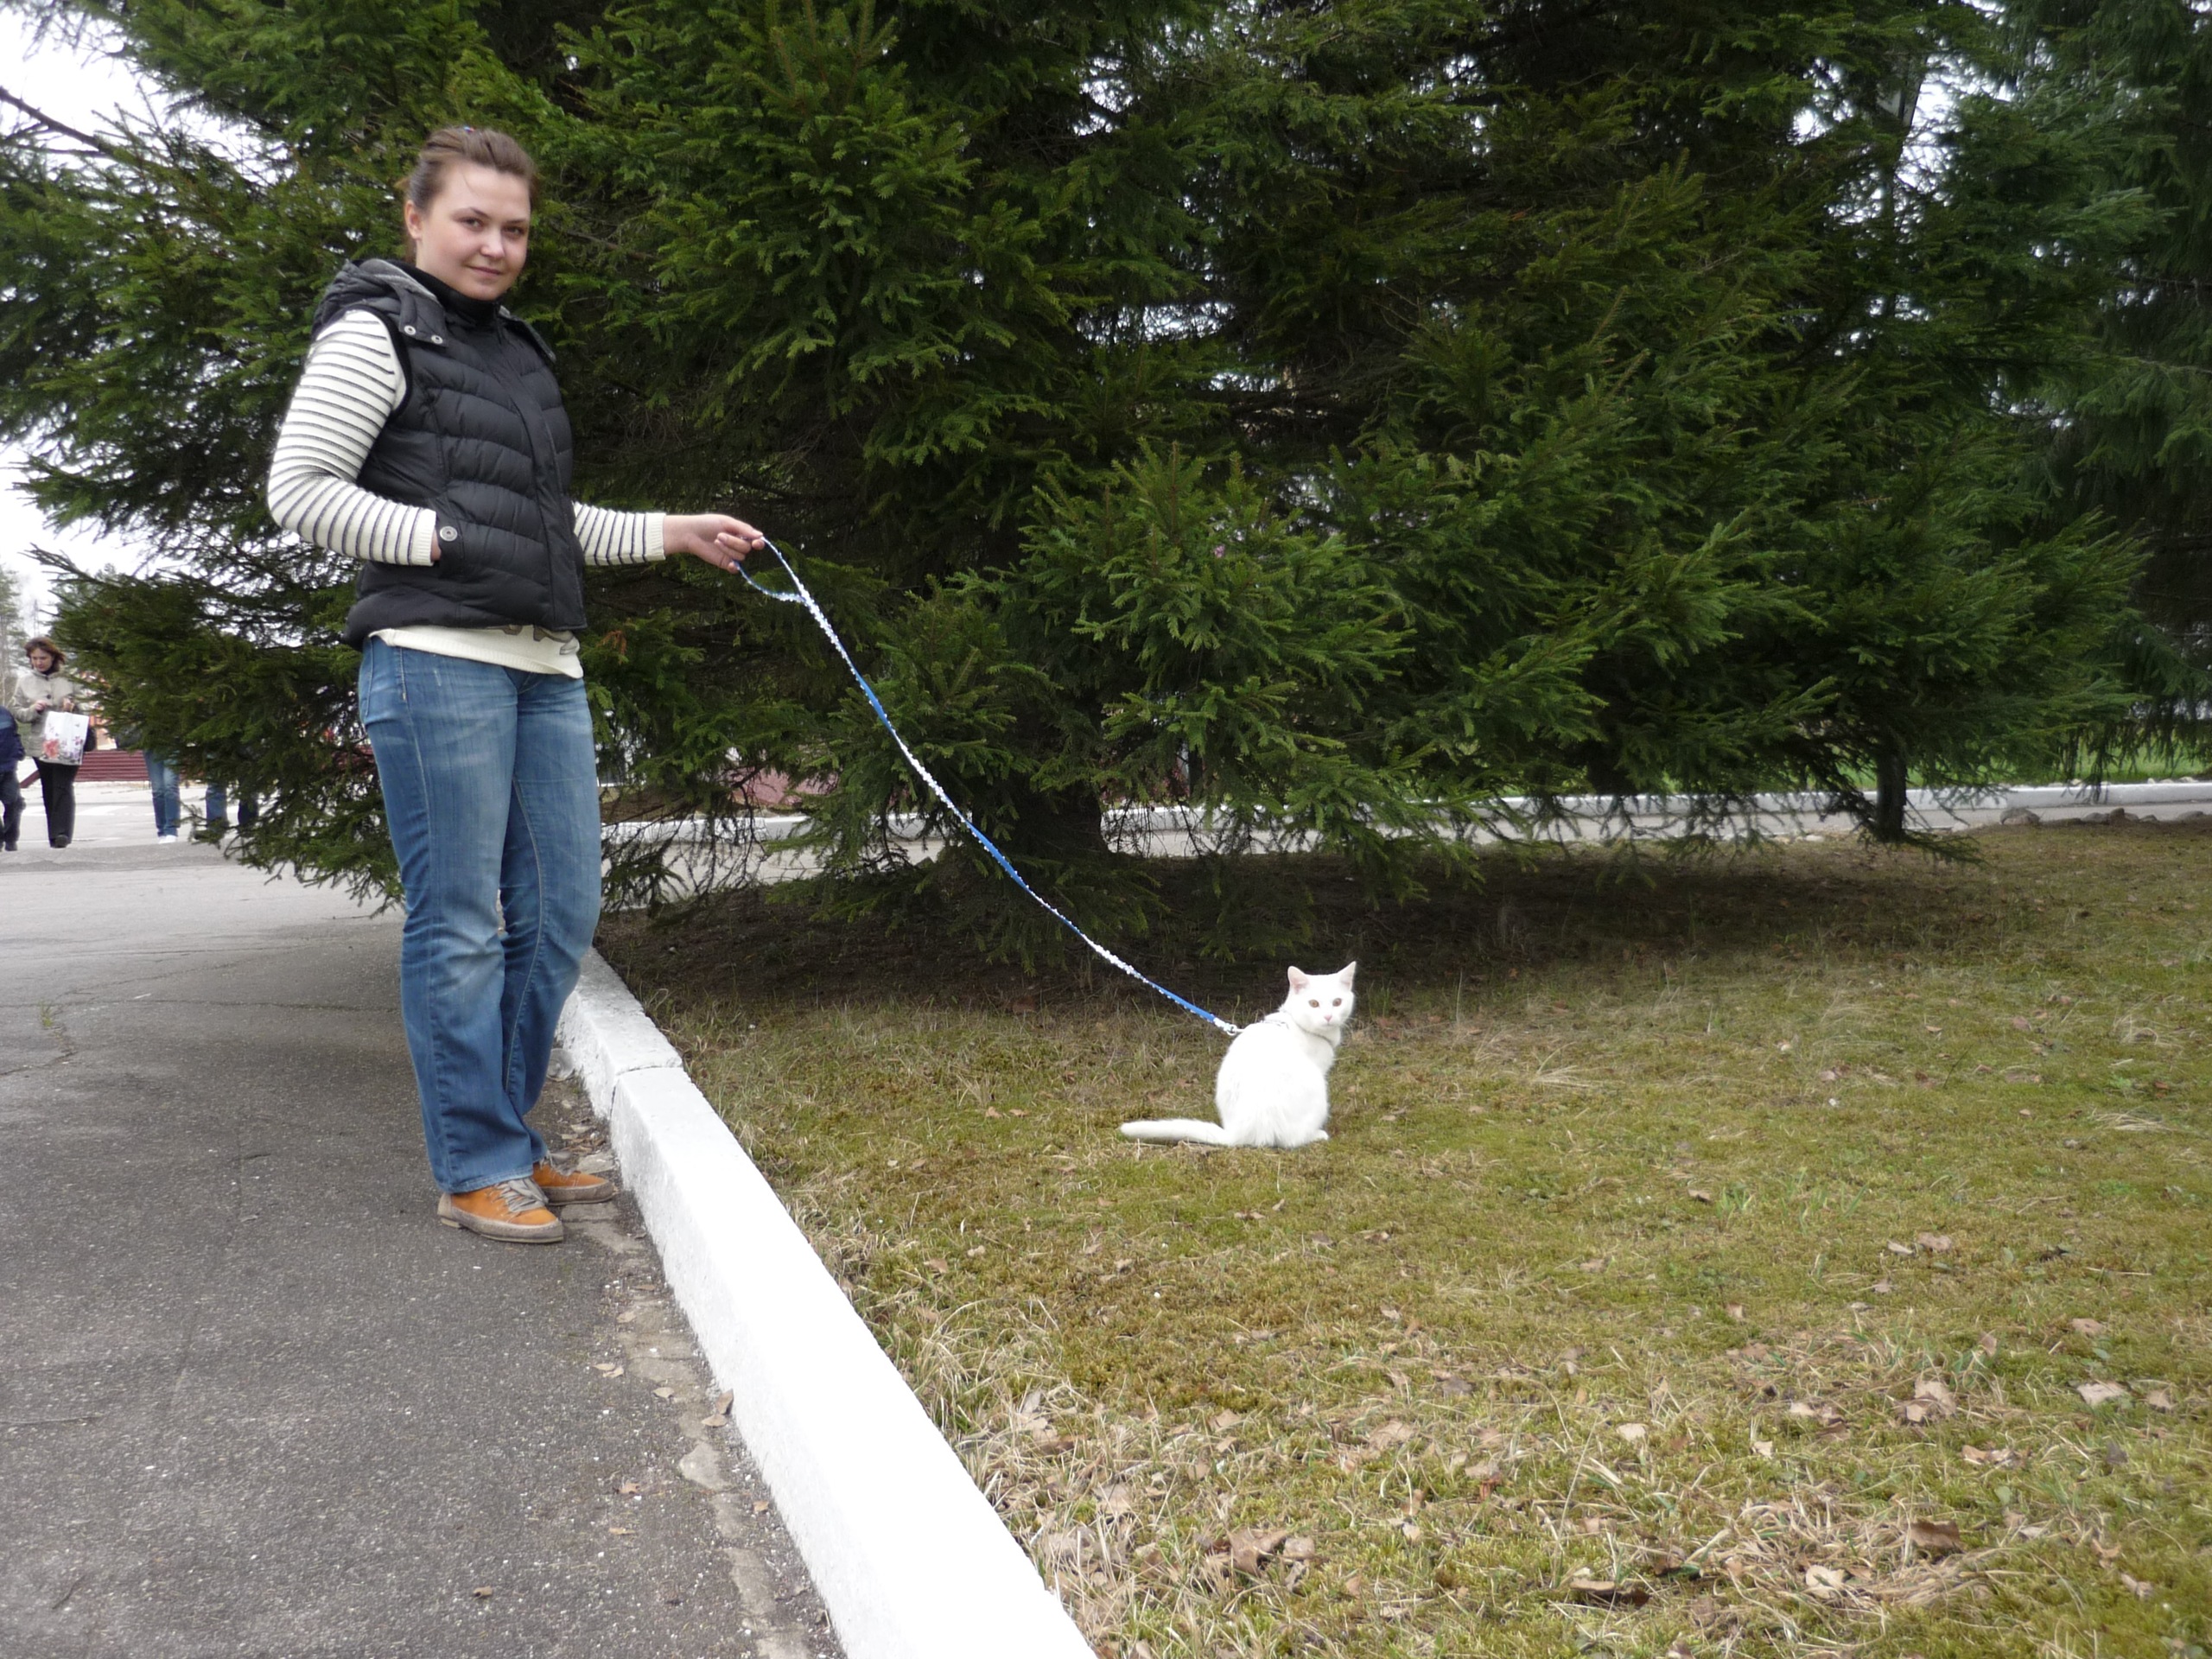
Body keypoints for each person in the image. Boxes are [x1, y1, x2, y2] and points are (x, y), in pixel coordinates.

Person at [265, 125, 764, 1245]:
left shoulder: (515, 354)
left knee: (561, 912)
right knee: (458, 923)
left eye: (516, 228)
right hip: (434, 659)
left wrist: (672, 531)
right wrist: (439, 538)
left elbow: (542, 521)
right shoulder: (377, 330)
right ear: (416, 219)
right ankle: (476, 1163)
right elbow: (300, 489)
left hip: (544, 665)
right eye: (472, 221)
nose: (496, 245)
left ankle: (503, 1133)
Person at [10, 636, 80, 848]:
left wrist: (72, 707)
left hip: (68, 740)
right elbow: (17, 711)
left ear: (53, 657)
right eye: (34, 658)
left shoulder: (69, 678)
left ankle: (62, 833)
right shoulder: (25, 681)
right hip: (41, 743)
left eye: (43, 658)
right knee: (49, 786)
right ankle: (54, 834)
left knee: (63, 785)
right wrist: (34, 709)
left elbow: (86, 705)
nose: (39, 662)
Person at [0, 701, 22, 851]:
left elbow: (14, 734)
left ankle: (10, 838)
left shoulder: (4, 713)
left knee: (13, 803)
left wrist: (18, 751)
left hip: (8, 768)